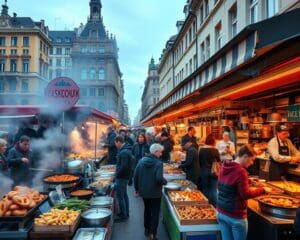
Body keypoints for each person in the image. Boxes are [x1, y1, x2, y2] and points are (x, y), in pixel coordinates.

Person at [217, 145, 269, 240]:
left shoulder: (224, 166)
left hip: (221, 213)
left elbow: (226, 184)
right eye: (251, 160)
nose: (252, 163)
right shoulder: (241, 171)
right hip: (235, 216)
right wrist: (263, 190)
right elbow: (246, 194)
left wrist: (248, 181)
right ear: (245, 156)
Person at [134, 143, 167, 240]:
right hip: (155, 193)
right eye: (160, 152)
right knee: (155, 212)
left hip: (144, 191)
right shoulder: (158, 163)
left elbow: (135, 176)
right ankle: (153, 234)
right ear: (156, 152)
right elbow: (159, 179)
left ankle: (147, 229)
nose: (161, 154)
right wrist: (165, 182)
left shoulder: (141, 161)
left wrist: (137, 190)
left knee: (147, 210)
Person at [114, 135, 133, 222]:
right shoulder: (125, 150)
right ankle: (125, 213)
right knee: (124, 195)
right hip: (125, 176)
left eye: (115, 143)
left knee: (120, 196)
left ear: (118, 142)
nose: (115, 145)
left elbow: (124, 166)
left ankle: (123, 215)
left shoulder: (124, 152)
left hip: (122, 177)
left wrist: (117, 174)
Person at [199, 134, 221, 206]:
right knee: (213, 190)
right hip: (214, 172)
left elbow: (199, 161)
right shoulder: (215, 150)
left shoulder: (201, 150)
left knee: (205, 189)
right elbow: (219, 161)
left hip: (204, 171)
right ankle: (215, 206)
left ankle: (206, 205)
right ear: (213, 142)